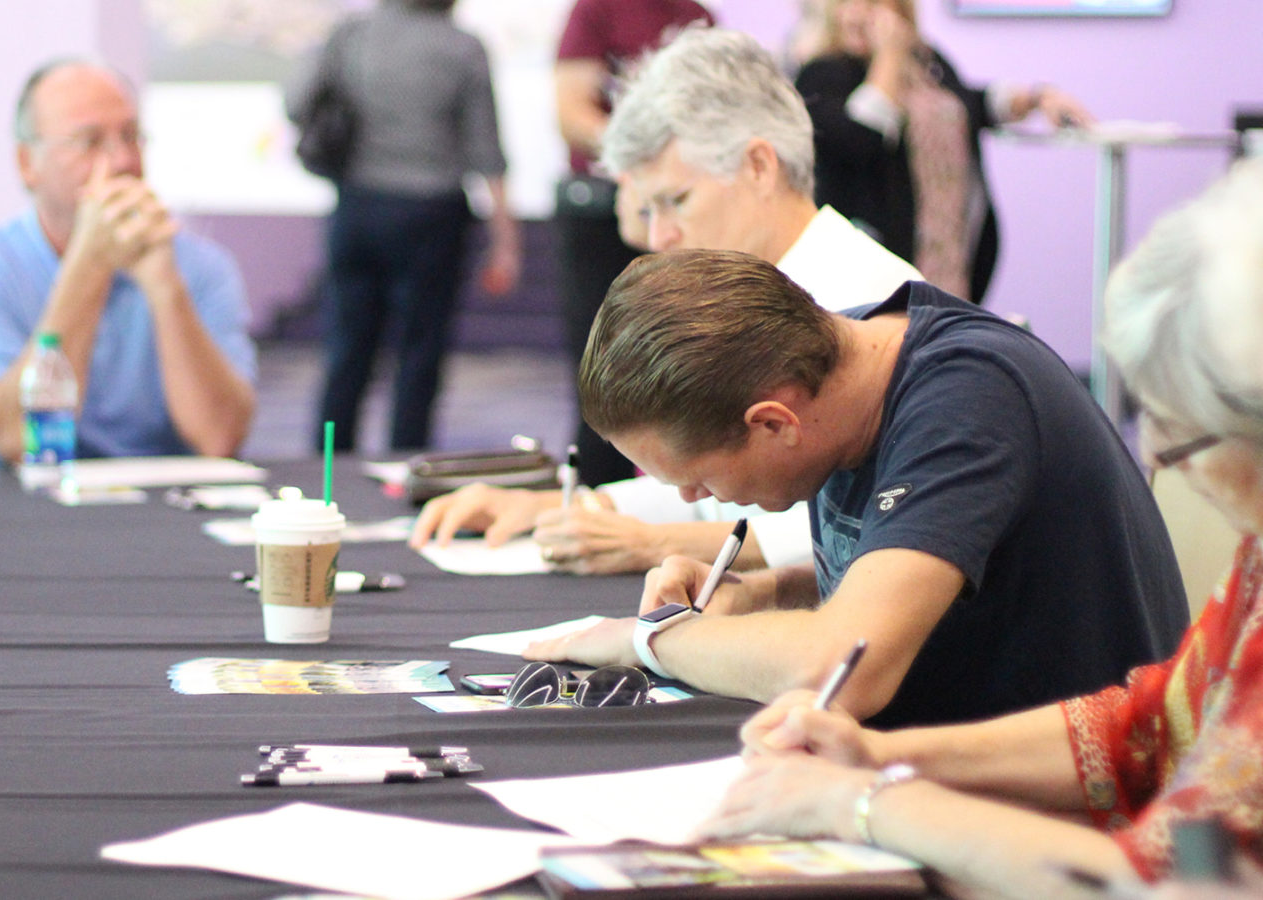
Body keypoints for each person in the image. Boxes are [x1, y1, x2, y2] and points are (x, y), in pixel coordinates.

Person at [696, 160, 1263, 895]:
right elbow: (1145, 726)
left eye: (1181, 434)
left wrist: (868, 801)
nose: (1154, 454)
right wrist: (878, 758)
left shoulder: (968, 386)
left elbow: (1166, 880)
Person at [523, 246, 1187, 728]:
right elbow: (925, 563)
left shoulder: (967, 403)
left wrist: (653, 640)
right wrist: (760, 593)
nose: (696, 498)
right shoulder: (840, 360)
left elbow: (844, 670)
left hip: (1076, 806)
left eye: (696, 479)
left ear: (775, 424)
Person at [0, 60, 258, 789]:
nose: (123, 161)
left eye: (131, 137)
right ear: (27, 163)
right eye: (89, 141)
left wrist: (160, 284)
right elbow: (14, 433)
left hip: (158, 542)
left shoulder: (204, 269)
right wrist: (90, 268)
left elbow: (219, 437)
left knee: (188, 735)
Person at [411, 29, 921, 576]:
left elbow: (869, 526)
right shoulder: (759, 298)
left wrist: (649, 542)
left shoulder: (870, 303)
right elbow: (713, 489)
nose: (660, 238)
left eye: (675, 201)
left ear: (758, 166)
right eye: (649, 210)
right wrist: (574, 508)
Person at [288, 0, 519, 454]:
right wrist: (505, 241)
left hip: (359, 204)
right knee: (420, 350)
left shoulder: (352, 33)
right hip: (433, 212)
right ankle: (405, 462)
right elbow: (486, 149)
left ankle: (328, 464)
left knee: (347, 346)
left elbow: (296, 102)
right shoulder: (463, 47)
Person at [795, 0, 1092, 302]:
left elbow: (969, 103)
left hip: (949, 257)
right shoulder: (821, 74)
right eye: (845, 4)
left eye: (872, 4)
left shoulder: (927, 63)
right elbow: (862, 136)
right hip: (875, 271)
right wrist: (890, 55)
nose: (857, 15)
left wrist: (1039, 98)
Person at [553, 0, 714, 486]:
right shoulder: (596, 9)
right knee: (602, 369)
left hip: (672, 202)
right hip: (604, 214)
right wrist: (648, 158)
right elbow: (570, 113)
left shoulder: (698, 16)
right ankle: (600, 498)